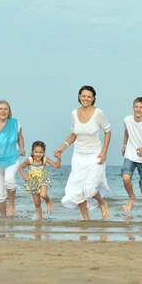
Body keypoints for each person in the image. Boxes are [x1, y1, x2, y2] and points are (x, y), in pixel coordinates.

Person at [53, 85, 111, 220]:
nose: (86, 98)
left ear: (93, 99)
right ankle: (86, 220)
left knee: (90, 189)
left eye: (89, 96)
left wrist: (104, 152)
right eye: (83, 96)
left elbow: (108, 132)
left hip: (95, 156)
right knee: (77, 190)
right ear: (79, 97)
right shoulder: (74, 113)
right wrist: (63, 147)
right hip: (78, 157)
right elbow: (74, 133)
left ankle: (102, 203)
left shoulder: (98, 113)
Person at [0, 100, 26, 218]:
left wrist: (22, 148)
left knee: (9, 179)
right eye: (0, 109)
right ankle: (4, 219)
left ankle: (12, 204)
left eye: (6, 109)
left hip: (12, 157)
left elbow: (20, 138)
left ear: (9, 111)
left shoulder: (15, 123)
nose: (3, 111)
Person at [19, 141, 61, 220]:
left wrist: (59, 158)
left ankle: (48, 201)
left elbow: (57, 166)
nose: (38, 154)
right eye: (36, 152)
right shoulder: (29, 160)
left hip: (43, 180)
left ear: (43, 152)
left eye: (40, 152)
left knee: (43, 195)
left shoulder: (45, 159)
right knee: (37, 203)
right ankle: (40, 220)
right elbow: (20, 167)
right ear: (32, 152)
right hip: (33, 183)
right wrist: (24, 176)